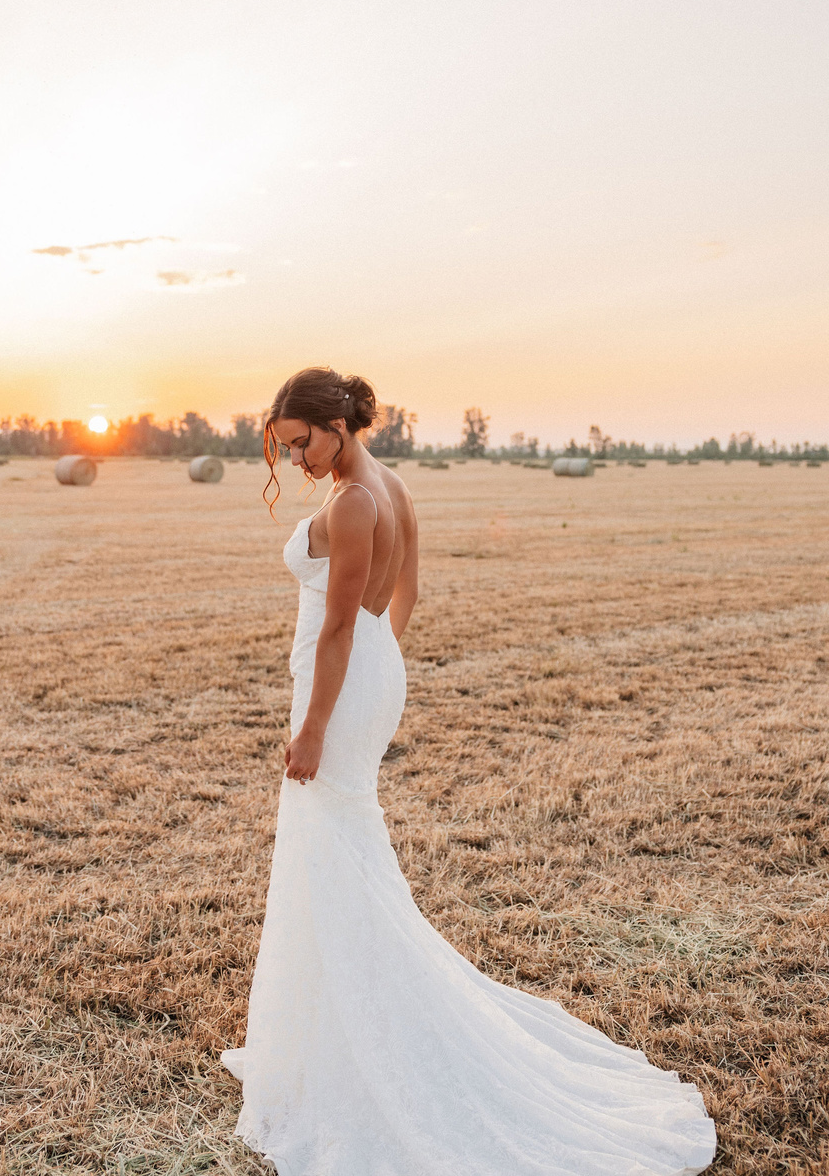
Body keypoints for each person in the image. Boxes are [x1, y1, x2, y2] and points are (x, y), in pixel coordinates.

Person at [222, 367, 716, 1175]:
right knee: (342, 843)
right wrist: (378, 665)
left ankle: (364, 1030)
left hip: (339, 689)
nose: (298, 460)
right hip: (370, 674)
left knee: (331, 845)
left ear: (336, 426)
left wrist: (314, 726)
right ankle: (335, 1018)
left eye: (301, 443)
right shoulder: (394, 486)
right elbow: (406, 594)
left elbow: (340, 626)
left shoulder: (353, 502)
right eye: (287, 448)